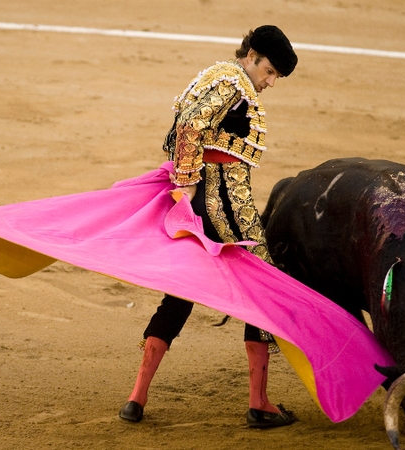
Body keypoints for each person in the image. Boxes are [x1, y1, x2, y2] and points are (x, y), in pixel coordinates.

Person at [118, 25, 299, 428]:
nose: (269, 82)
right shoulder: (234, 83)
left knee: (181, 294)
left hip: (200, 205)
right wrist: (188, 180)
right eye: (269, 71)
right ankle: (259, 402)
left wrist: (187, 187)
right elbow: (190, 127)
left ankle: (137, 397)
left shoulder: (214, 74)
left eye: (275, 78)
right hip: (228, 206)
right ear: (251, 54)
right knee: (263, 289)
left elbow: (181, 127)